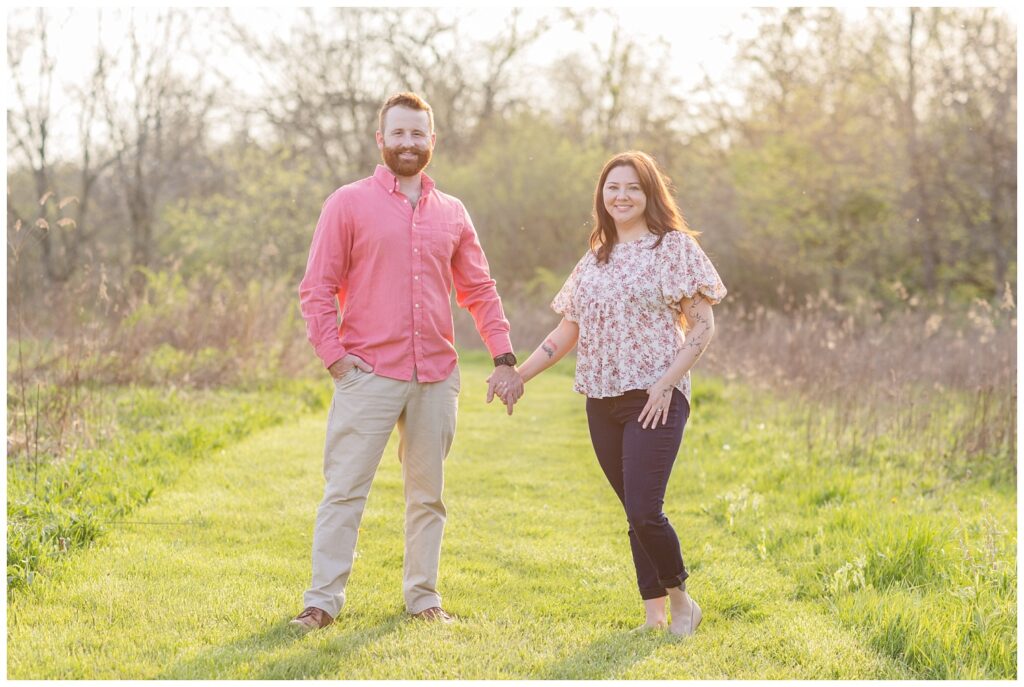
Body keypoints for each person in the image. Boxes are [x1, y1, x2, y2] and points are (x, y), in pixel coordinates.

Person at [292, 92, 524, 634]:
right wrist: (334, 358)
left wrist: (503, 355)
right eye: (398, 133)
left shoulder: (453, 212)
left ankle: (423, 598)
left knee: (429, 496)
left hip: (436, 377)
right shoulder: (347, 203)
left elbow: (480, 290)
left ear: (432, 142)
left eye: (417, 134)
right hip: (367, 373)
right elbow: (316, 288)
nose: (407, 143)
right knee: (345, 491)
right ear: (381, 140)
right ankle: (321, 601)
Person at [511, 151, 726, 636]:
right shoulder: (595, 258)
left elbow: (702, 325)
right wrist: (519, 376)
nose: (622, 196)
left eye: (632, 187)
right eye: (613, 188)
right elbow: (568, 331)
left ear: (650, 194)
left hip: (656, 396)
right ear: (601, 197)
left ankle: (682, 603)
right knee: (633, 510)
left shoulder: (672, 249)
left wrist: (665, 383)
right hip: (601, 399)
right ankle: (652, 618)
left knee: (646, 509)